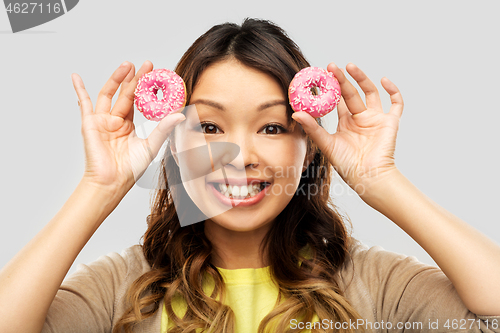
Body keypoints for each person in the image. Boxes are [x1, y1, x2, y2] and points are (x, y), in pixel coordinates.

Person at [1, 17, 499, 333]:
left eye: (272, 126)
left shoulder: (372, 284)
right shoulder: (125, 288)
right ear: (174, 143)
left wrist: (382, 179)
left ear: (308, 146)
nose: (239, 156)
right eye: (211, 126)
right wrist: (99, 187)